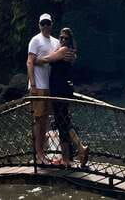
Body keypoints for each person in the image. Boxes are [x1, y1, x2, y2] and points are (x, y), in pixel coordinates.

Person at [40, 27, 89, 168]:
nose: (62, 40)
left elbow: (48, 59)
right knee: (64, 122)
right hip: (62, 89)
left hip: (60, 90)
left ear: (70, 40)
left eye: (65, 38)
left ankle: (69, 157)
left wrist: (34, 59)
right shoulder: (69, 52)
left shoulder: (63, 50)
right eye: (61, 37)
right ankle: (77, 150)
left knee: (62, 123)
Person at [27, 13, 67, 164]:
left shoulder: (56, 42)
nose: (45, 26)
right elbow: (29, 62)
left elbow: (61, 57)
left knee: (46, 121)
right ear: (39, 25)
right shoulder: (35, 40)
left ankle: (44, 153)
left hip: (50, 86)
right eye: (42, 23)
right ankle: (38, 154)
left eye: (47, 23)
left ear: (51, 24)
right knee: (38, 121)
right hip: (39, 86)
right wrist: (33, 85)